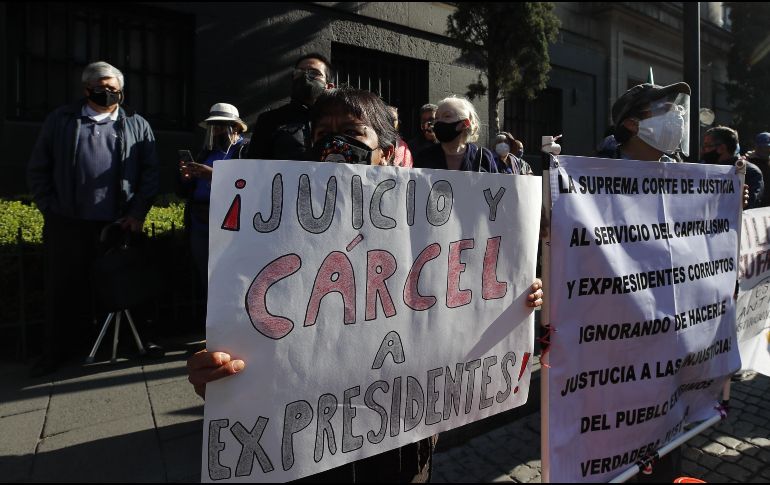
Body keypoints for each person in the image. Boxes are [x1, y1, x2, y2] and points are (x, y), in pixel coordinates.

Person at [187, 87, 544, 482]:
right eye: (323, 135)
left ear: (388, 152)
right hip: (311, 446)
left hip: (401, 440)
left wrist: (514, 299)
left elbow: (466, 295)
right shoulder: (274, 230)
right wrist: (223, 378)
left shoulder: (427, 228)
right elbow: (251, 327)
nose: (335, 144)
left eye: (353, 133)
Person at [27, 61, 160, 376]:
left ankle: (139, 342)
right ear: (87, 89)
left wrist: (137, 213)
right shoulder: (61, 120)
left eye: (114, 89)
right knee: (63, 289)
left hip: (119, 224)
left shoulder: (136, 124)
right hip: (69, 223)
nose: (108, 93)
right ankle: (56, 352)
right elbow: (38, 168)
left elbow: (150, 174)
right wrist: (50, 208)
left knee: (127, 286)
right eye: (102, 87)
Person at [178, 103, 250, 295]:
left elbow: (248, 185)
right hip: (201, 223)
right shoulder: (207, 152)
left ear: (235, 127)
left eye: (221, 126)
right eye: (213, 127)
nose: (216, 131)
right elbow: (186, 191)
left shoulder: (245, 150)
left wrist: (214, 175)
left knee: (229, 278)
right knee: (206, 278)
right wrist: (187, 176)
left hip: (228, 226)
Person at [245, 53, 334, 161]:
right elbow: (255, 165)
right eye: (299, 72)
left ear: (329, 87)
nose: (305, 76)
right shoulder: (269, 120)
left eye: (314, 73)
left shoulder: (336, 122)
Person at [608, 82, 691, 163]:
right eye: (664, 109)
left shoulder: (679, 172)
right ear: (631, 124)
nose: (677, 117)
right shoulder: (600, 170)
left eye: (678, 110)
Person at [414, 96, 498, 172]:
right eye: (436, 118)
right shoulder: (424, 156)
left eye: (447, 116)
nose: (439, 122)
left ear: (465, 123)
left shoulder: (483, 157)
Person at [701, 126, 764, 209]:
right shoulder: (705, 169)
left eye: (707, 146)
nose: (703, 150)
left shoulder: (749, 172)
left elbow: (751, 206)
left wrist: (742, 203)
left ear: (722, 148)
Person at [746, 132, 770, 207]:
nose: (767, 150)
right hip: (753, 205)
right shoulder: (747, 162)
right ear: (756, 147)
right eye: (764, 147)